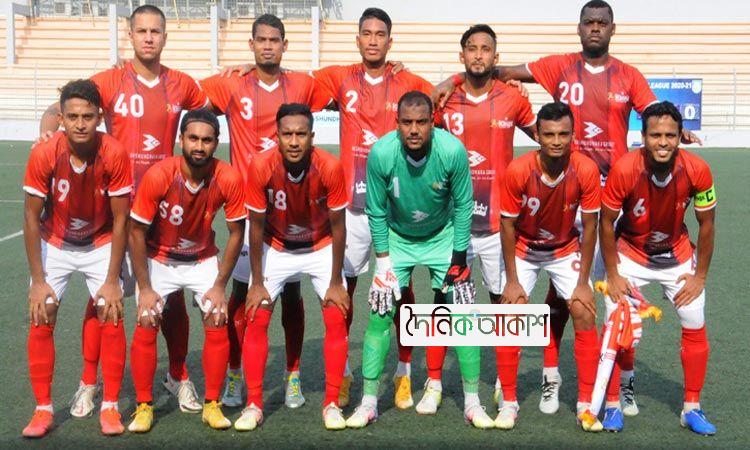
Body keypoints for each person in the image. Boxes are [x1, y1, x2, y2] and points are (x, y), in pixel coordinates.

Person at [433, 0, 701, 415]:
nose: (595, 28)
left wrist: (675, 132)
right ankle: (550, 375)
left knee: (608, 297)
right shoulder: (559, 66)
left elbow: (654, 114)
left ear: (612, 29)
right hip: (561, 192)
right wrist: (452, 79)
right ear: (578, 28)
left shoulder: (628, 75)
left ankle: (621, 382)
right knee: (556, 297)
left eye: (602, 23)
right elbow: (494, 70)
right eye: (588, 22)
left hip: (609, 198)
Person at [38, 4, 209, 416]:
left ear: (165, 37)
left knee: (171, 299)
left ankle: (178, 374)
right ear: (129, 36)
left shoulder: (183, 84)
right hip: (116, 209)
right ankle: (89, 382)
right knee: (104, 297)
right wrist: (46, 129)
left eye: (155, 31)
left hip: (164, 208)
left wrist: (243, 71)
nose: (148, 37)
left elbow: (212, 105)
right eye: (141, 31)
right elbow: (60, 107)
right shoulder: (109, 81)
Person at [200, 13, 332, 409]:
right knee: (243, 295)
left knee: (292, 293)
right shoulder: (231, 84)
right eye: (262, 40)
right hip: (246, 211)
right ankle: (235, 374)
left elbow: (351, 92)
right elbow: (184, 102)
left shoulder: (303, 84)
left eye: (275, 40)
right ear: (251, 44)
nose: (268, 46)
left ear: (285, 45)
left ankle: (293, 375)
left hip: (291, 209)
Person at [345, 91, 494, 429]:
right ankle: (369, 403)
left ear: (433, 123)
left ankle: (473, 403)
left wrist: (459, 257)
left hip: (443, 237)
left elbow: (464, 205)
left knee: (463, 314)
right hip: (397, 240)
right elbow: (376, 211)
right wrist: (383, 263)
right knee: (380, 315)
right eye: (407, 122)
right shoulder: (381, 153)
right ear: (397, 123)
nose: (414, 130)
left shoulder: (452, 150)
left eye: (421, 122)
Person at [421, 23, 537, 414]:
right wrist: (447, 82)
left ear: (495, 57)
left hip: (499, 225)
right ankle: (434, 382)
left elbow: (545, 136)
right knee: (444, 301)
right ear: (462, 56)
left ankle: (505, 382)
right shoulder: (443, 99)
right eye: (471, 48)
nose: (478, 55)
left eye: (485, 49)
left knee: (502, 303)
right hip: (452, 224)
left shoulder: (512, 98)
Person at [598, 101, 716, 435]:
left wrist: (699, 276)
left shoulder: (698, 169)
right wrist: (613, 274)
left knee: (694, 321)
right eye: (655, 135)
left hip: (676, 256)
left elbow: (707, 225)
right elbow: (606, 222)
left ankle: (691, 408)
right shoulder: (624, 168)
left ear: (680, 136)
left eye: (669, 135)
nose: (662, 142)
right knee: (617, 324)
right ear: (643, 137)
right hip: (630, 254)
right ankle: (613, 404)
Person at [22, 79, 132, 437]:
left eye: (87, 116)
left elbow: (121, 219)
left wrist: (113, 280)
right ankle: (43, 409)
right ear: (61, 118)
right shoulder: (44, 153)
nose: (80, 124)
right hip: (55, 241)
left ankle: (110, 406)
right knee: (42, 312)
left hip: (100, 242)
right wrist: (38, 281)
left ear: (99, 117)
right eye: (73, 117)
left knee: (110, 312)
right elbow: (30, 217)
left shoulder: (114, 152)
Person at [127, 109, 245, 432]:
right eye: (193, 138)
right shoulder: (159, 175)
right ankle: (143, 406)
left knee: (217, 317)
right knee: (147, 318)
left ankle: (212, 405)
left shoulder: (228, 177)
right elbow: (136, 232)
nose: (199, 146)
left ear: (216, 143)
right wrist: (145, 288)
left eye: (207, 140)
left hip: (201, 259)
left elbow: (237, 232)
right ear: (181, 139)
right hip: (160, 258)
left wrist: (219, 285)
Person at [236, 104, 350, 431]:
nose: (295, 141)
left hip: (320, 245)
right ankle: (254, 404)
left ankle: (331, 404)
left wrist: (335, 281)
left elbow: (339, 227)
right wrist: (257, 282)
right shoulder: (261, 166)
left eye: (301, 134)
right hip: (276, 245)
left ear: (312, 136)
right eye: (287, 134)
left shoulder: (329, 167)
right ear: (277, 136)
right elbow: (255, 227)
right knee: (256, 315)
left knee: (336, 314)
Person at [497, 102, 601, 431]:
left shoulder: (585, 169)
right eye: (549, 134)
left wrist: (583, 282)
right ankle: (509, 402)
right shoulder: (518, 170)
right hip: (524, 248)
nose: (556, 141)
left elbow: (591, 227)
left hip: (564, 248)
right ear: (537, 136)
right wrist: (512, 280)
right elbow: (507, 226)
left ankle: (585, 403)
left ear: (573, 135)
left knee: (583, 309)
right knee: (510, 314)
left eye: (563, 134)